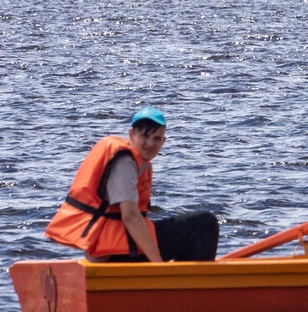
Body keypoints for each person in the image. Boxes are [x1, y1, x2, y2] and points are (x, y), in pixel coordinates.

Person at [44, 108, 219, 263]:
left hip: (119, 247)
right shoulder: (124, 161)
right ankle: (184, 288)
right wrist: (157, 264)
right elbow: (130, 216)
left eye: (156, 138)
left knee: (191, 227)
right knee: (205, 223)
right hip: (116, 252)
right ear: (131, 134)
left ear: (163, 142)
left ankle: (178, 283)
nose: (150, 144)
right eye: (144, 136)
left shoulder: (139, 161)